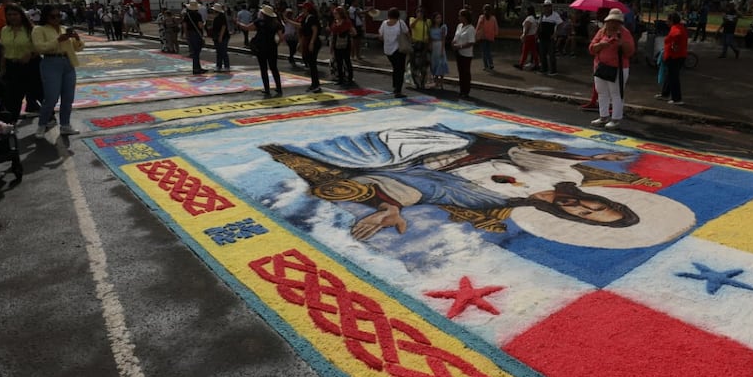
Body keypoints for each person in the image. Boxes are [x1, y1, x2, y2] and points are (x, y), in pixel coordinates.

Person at [260, 125, 660, 245]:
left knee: (369, 162)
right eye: (596, 205)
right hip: (458, 143)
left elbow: (427, 188)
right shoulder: (568, 178)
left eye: (587, 217)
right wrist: (589, 158)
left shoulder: (491, 201)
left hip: (408, 160)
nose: (582, 208)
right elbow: (524, 151)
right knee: (442, 140)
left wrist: (391, 207)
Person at [31, 4, 84, 137]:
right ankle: (42, 124)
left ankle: (65, 125)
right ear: (46, 17)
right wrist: (58, 40)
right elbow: (39, 48)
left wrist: (77, 39)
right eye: (52, 16)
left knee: (68, 98)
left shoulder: (63, 29)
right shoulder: (39, 29)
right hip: (50, 62)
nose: (56, 19)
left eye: (59, 16)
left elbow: (78, 48)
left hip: (68, 63)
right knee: (51, 98)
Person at [588, 7, 635, 129]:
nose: (612, 24)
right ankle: (603, 116)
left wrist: (621, 44)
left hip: (618, 68)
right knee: (602, 92)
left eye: (616, 22)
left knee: (616, 93)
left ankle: (615, 119)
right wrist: (601, 45)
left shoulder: (625, 33)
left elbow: (630, 52)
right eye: (611, 21)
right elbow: (592, 48)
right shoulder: (602, 31)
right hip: (601, 66)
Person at [0, 3, 41, 119]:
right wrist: (2, 67)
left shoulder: (32, 30)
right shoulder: (5, 30)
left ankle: (48, 116)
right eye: (9, 15)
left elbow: (40, 47)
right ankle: (11, 121)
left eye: (15, 14)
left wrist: (31, 54)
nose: (12, 17)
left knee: (38, 92)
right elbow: (3, 49)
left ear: (21, 15)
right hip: (12, 66)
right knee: (12, 96)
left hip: (30, 65)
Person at [245, 4, 283, 97]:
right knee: (274, 68)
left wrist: (238, 23)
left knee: (263, 69)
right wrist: (276, 44)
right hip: (272, 48)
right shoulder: (276, 23)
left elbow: (248, 28)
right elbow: (281, 37)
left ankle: (267, 89)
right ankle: (279, 88)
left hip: (261, 48)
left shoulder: (259, 22)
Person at [378, 7, 411, 98]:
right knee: (400, 70)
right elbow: (407, 33)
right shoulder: (400, 23)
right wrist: (410, 43)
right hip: (399, 49)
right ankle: (398, 90)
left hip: (388, 50)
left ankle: (395, 87)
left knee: (395, 68)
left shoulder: (384, 23)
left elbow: (380, 36)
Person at [660, 12, 689, 105]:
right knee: (669, 75)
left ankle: (677, 98)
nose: (666, 22)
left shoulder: (676, 29)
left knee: (673, 77)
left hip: (675, 57)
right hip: (675, 56)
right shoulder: (678, 27)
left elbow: (677, 35)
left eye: (667, 20)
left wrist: (674, 44)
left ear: (671, 21)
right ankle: (665, 93)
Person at [452, 8, 477, 100]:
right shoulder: (459, 26)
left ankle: (466, 91)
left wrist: (460, 46)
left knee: (466, 72)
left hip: (466, 54)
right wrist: (453, 43)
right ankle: (461, 90)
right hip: (458, 52)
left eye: (460, 16)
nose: (459, 18)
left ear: (465, 17)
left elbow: (471, 42)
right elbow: (456, 36)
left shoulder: (471, 28)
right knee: (460, 72)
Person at [299, 1, 323, 92]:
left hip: (313, 41)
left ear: (307, 9)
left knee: (312, 63)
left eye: (303, 8)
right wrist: (288, 20)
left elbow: (315, 30)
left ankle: (316, 84)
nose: (302, 10)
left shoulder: (311, 18)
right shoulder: (306, 18)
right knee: (311, 63)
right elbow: (300, 26)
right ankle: (314, 84)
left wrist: (312, 43)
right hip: (308, 41)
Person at [329, 6, 355, 87]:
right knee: (338, 62)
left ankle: (350, 78)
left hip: (346, 44)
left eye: (336, 13)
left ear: (341, 14)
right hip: (337, 44)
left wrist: (347, 34)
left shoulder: (347, 22)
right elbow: (333, 34)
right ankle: (340, 78)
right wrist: (331, 46)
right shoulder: (335, 22)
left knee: (347, 61)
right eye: (334, 14)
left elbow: (354, 32)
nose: (335, 15)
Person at [181, 0, 207, 75]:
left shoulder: (187, 15)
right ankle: (196, 69)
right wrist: (203, 24)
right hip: (197, 33)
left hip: (190, 33)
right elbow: (200, 25)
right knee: (196, 52)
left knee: (194, 51)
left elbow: (184, 25)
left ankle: (197, 67)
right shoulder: (198, 15)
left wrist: (186, 35)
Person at [537, 0, 563, 75]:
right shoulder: (542, 15)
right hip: (542, 37)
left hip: (550, 38)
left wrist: (556, 33)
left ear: (551, 7)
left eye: (548, 6)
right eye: (545, 6)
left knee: (551, 54)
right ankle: (544, 69)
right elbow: (539, 25)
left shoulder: (555, 15)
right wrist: (537, 34)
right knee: (542, 54)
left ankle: (553, 70)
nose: (547, 8)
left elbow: (560, 24)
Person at [409, 6, 432, 87]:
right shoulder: (412, 19)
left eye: (421, 12)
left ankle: (423, 82)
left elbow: (429, 33)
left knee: (424, 64)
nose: (420, 13)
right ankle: (415, 82)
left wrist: (429, 43)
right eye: (418, 12)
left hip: (424, 45)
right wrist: (417, 19)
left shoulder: (427, 21)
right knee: (414, 64)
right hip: (415, 44)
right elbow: (411, 26)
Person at [429, 11, 450, 89]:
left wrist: (442, 50)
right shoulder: (431, 28)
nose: (439, 19)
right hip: (434, 46)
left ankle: (441, 82)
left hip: (440, 45)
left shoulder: (443, 27)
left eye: (440, 18)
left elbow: (443, 39)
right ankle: (435, 81)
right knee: (434, 64)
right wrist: (430, 46)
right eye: (437, 18)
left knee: (441, 63)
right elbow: (430, 39)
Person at [209, 2, 232, 72]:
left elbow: (223, 26)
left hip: (223, 36)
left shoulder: (222, 17)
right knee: (219, 51)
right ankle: (219, 65)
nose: (212, 11)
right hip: (217, 36)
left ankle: (226, 66)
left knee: (223, 51)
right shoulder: (216, 17)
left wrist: (220, 36)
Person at [476, 5, 499, 72]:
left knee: (484, 51)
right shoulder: (493, 18)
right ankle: (491, 64)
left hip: (483, 36)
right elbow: (496, 27)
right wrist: (496, 33)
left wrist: (475, 34)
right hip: (490, 36)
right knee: (488, 51)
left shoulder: (481, 17)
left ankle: (486, 65)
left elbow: (478, 27)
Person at [516, 5, 539, 70]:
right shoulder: (534, 18)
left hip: (528, 36)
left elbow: (527, 27)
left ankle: (521, 64)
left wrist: (524, 35)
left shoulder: (529, 18)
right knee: (534, 51)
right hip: (532, 36)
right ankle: (537, 64)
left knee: (525, 51)